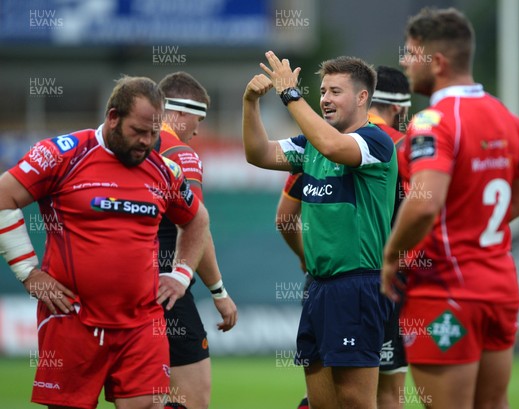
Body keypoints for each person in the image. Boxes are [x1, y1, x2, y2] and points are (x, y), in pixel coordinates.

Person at [0, 76, 209, 409]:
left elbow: (197, 219)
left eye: (154, 133)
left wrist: (181, 275)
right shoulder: (62, 154)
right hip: (72, 318)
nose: (147, 142)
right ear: (113, 117)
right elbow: (3, 197)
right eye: (138, 131)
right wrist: (29, 272)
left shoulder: (164, 170)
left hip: (142, 322)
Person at [381, 7, 519, 409]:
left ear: (437, 62)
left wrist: (392, 257)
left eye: (411, 53)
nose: (403, 61)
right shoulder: (507, 117)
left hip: (445, 287)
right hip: (500, 287)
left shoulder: (434, 120)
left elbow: (424, 204)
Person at [244, 52, 397, 409]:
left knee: (355, 401)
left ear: (362, 98)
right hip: (318, 288)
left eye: (336, 91)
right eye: (323, 91)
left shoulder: (375, 142)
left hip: (357, 286)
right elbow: (258, 153)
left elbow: (332, 145)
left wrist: (290, 95)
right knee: (322, 403)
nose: (325, 98)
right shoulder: (310, 146)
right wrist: (250, 103)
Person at [156, 71, 238, 409]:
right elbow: (195, 228)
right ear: (176, 111)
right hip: (166, 292)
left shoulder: (122, 146)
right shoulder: (180, 153)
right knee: (191, 400)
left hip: (118, 293)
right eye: (197, 118)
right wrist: (219, 293)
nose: (198, 130)